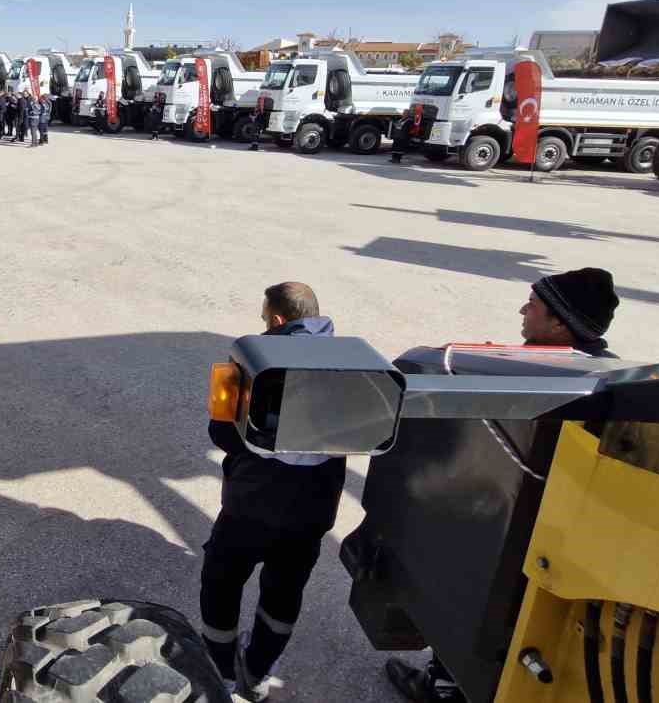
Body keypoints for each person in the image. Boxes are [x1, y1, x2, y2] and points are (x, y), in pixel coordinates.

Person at [386, 267, 620, 703]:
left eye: (533, 305)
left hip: (499, 536)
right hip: (548, 549)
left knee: (466, 594)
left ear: (559, 324)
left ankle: (443, 686)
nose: (522, 310)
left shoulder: (521, 375)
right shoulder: (609, 379)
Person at [200, 282, 344, 702]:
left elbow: (221, 435)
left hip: (251, 506)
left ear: (278, 320)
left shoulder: (248, 358)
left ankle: (222, 672)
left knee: (221, 583)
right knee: (284, 592)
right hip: (313, 512)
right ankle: (259, 669)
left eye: (265, 318)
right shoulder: (353, 361)